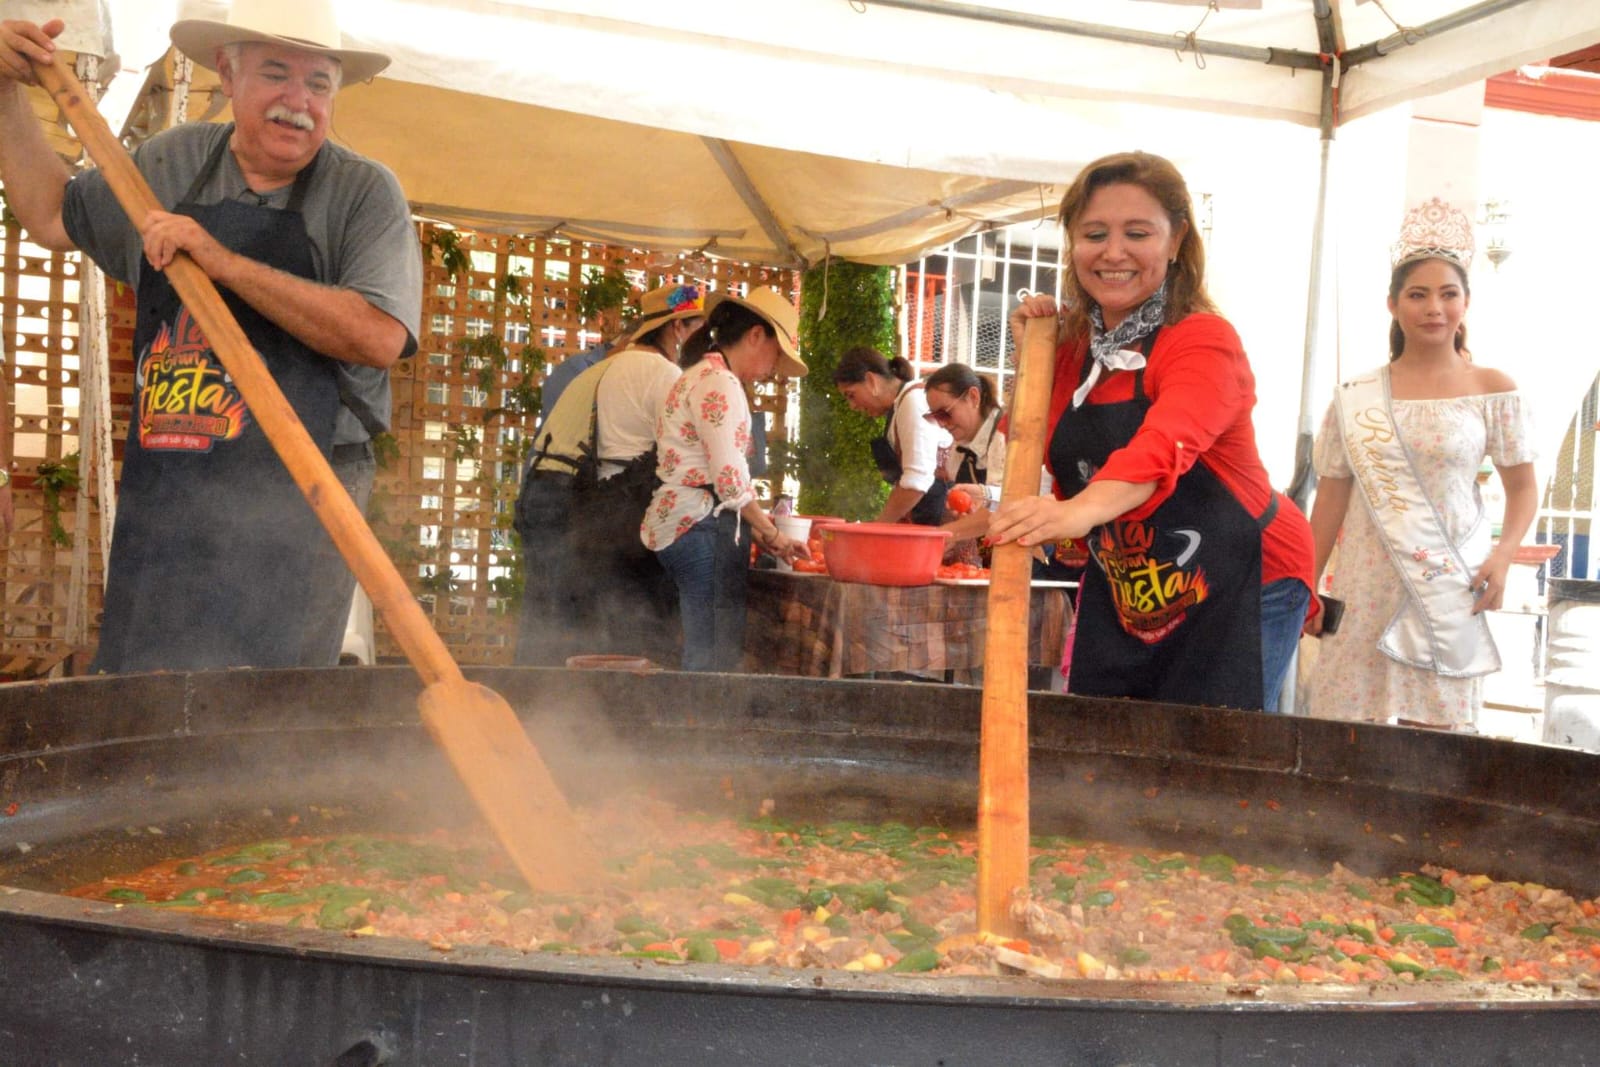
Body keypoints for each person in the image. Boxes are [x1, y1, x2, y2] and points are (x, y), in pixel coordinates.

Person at [0, 2, 421, 672]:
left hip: (307, 494)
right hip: (170, 484)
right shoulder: (171, 164)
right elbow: (51, 213)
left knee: (268, 707)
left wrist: (217, 260)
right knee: (145, 683)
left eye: (319, 84)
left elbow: (378, 335)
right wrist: (3, 95)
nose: (298, 102)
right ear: (227, 73)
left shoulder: (363, 193)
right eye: (277, 75)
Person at [989, 151, 1315, 712]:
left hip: (1247, 574)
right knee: (1107, 741)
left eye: (1136, 233)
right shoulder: (1069, 346)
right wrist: (1030, 359)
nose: (1113, 252)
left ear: (1177, 238)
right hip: (1134, 582)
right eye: (1094, 233)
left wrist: (1075, 513)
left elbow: (1162, 447)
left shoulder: (1202, 341)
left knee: (1212, 754)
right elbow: (1033, 445)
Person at [1302, 198, 1537, 731]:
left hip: (1449, 582)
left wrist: (1504, 557)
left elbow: (1523, 489)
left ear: (1466, 303)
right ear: (1393, 305)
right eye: (1418, 294)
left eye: (1448, 294)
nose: (1434, 307)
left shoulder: (1493, 390)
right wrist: (1304, 586)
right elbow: (1331, 501)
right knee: (1348, 733)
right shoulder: (1355, 398)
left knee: (1434, 743)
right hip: (1364, 585)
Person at [514, 283, 711, 665]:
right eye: (697, 330)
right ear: (676, 329)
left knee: (545, 620)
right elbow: (687, 459)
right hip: (576, 503)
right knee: (589, 626)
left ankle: (531, 709)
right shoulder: (663, 373)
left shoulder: (604, 367)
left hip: (540, 494)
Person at [642, 289, 810, 671]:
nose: (773, 368)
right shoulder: (721, 383)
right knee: (713, 653)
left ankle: (691, 724)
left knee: (699, 644)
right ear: (755, 335)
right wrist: (774, 535)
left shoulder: (694, 375)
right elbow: (730, 480)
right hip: (701, 524)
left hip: (678, 521)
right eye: (776, 353)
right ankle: (700, 728)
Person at [832, 347, 952, 525]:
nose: (852, 406)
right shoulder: (900, 406)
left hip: (945, 526)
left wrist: (879, 527)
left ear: (871, 380)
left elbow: (917, 480)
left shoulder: (913, 402)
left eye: (851, 395)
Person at [924, 362, 1006, 543]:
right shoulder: (958, 445)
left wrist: (941, 536)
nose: (942, 424)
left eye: (945, 413)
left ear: (973, 397)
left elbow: (1005, 505)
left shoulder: (1004, 435)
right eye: (935, 417)